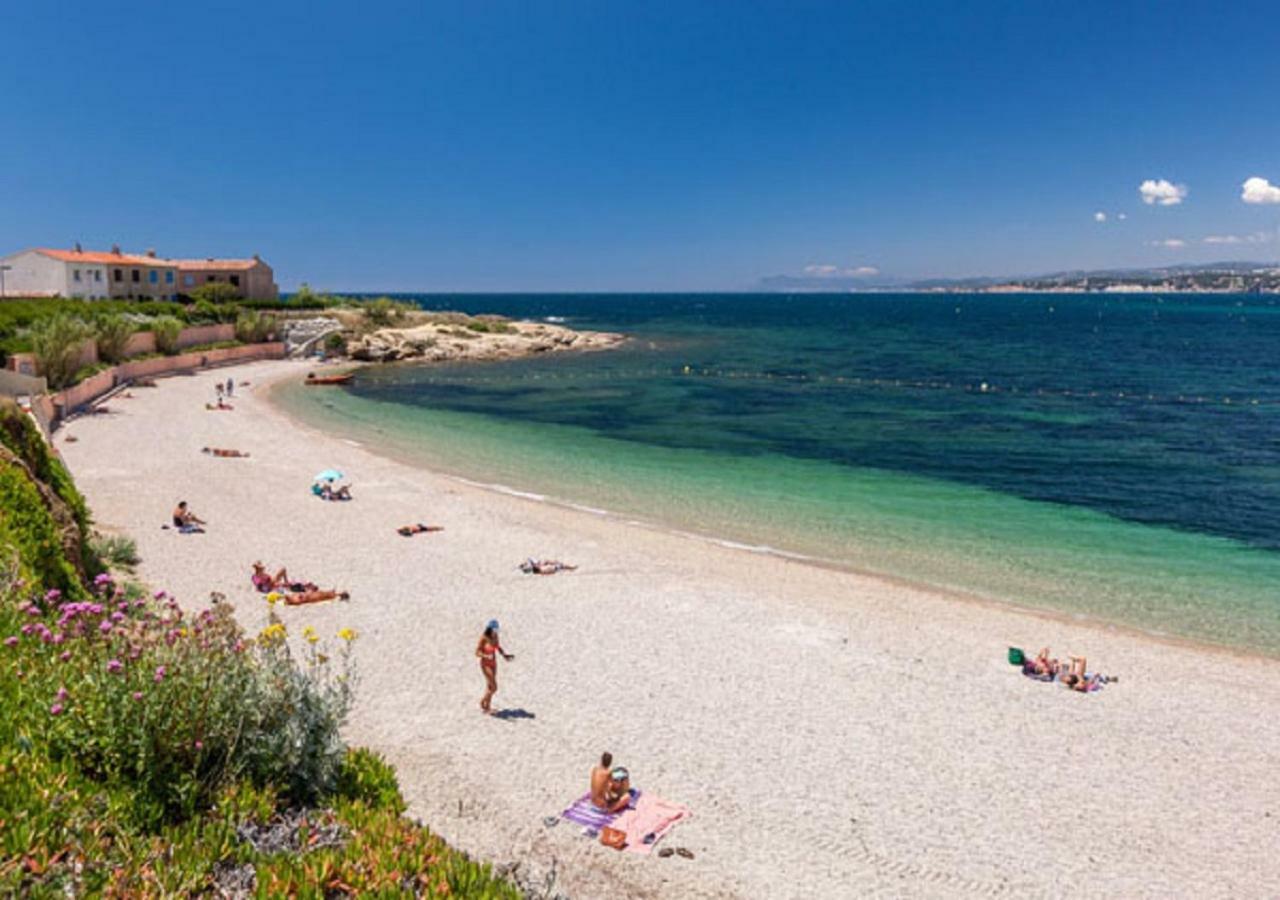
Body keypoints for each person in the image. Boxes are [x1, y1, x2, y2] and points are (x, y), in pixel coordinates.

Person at [476, 619, 513, 715]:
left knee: (490, 686)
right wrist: (486, 656)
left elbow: (497, 647)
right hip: (485, 664)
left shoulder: (496, 636)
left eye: (497, 630)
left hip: (493, 663)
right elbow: (477, 652)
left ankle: (487, 707)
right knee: (494, 687)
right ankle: (482, 701)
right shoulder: (483, 638)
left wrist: (504, 655)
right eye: (494, 629)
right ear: (490, 629)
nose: (496, 631)